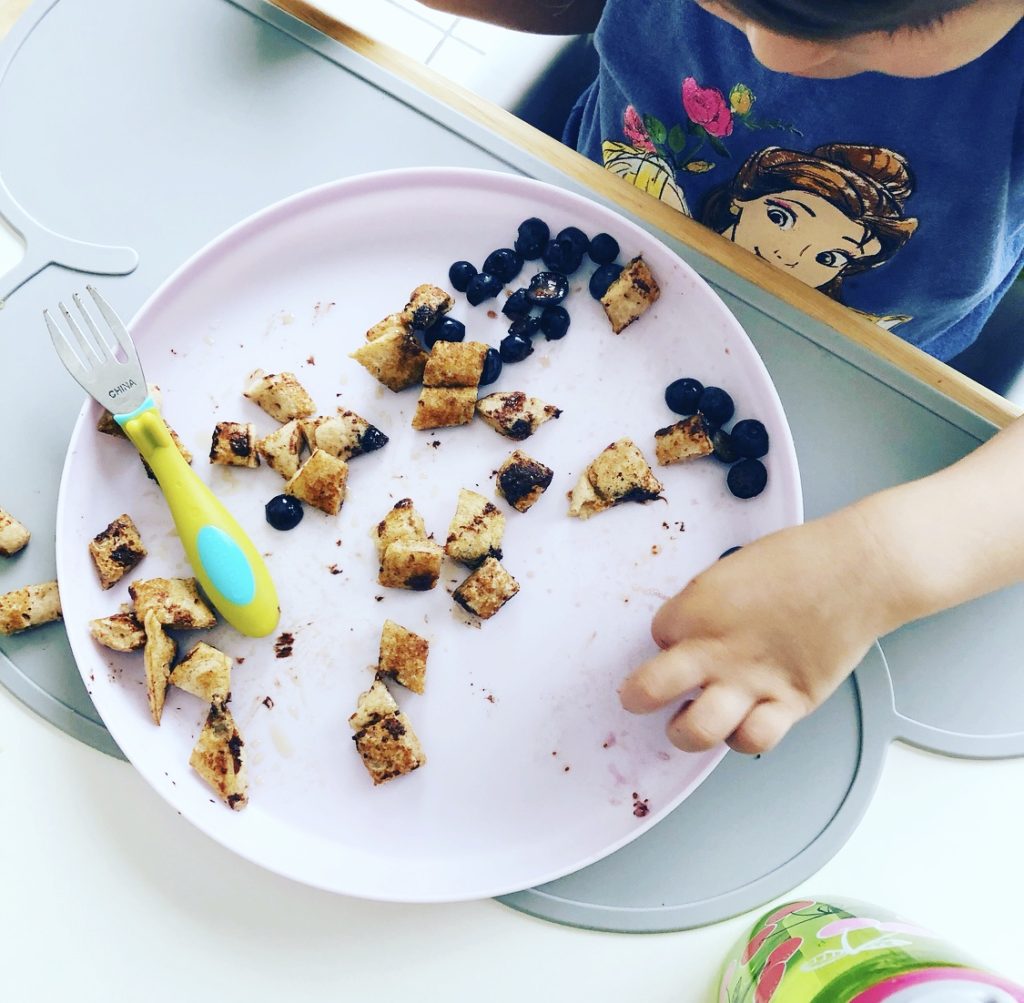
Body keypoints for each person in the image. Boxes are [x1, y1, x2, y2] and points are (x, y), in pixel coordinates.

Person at [421, 0, 1024, 756]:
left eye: (895, 28)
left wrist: (876, 565)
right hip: (590, 261)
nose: (777, 54)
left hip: (847, 381)